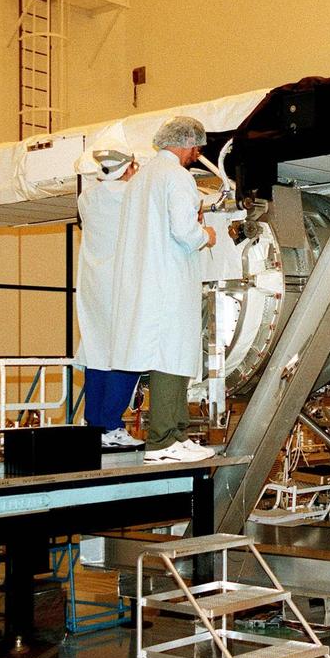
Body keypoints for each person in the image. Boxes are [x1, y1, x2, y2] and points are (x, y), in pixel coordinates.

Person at [109, 116, 218, 463]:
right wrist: (208, 236)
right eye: (196, 147)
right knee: (172, 357)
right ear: (187, 143)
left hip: (147, 281)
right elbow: (185, 233)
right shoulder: (177, 177)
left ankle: (175, 434)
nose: (196, 153)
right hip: (169, 282)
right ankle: (164, 440)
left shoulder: (141, 179)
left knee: (165, 356)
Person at [74, 149, 144, 448]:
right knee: (127, 353)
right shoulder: (133, 195)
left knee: (97, 353)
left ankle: (97, 425)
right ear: (129, 168)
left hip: (93, 286)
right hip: (123, 286)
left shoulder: (87, 197)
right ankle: (112, 424)